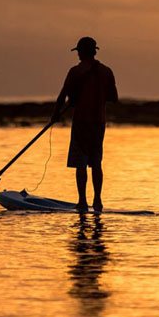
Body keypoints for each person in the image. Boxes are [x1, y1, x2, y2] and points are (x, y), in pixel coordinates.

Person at [52, 37, 118, 212]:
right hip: (99, 123)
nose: (78, 55)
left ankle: (82, 202)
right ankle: (97, 202)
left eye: (79, 51)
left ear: (83, 51)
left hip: (81, 122)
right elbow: (114, 98)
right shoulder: (106, 71)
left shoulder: (75, 71)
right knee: (96, 162)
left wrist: (55, 115)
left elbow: (62, 96)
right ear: (94, 51)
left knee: (81, 163)